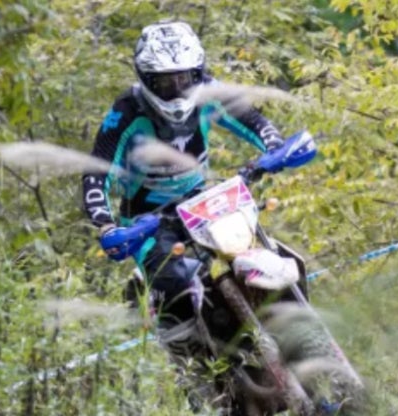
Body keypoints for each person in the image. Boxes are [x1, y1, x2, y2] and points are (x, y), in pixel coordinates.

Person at [82, 20, 287, 351]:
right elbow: (95, 172)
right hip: (146, 219)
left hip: (202, 201)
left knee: (258, 249)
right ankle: (194, 367)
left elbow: (253, 120)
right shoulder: (126, 110)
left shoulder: (209, 91)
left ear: (198, 72)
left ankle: (291, 327)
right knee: (172, 286)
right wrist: (106, 225)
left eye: (184, 78)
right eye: (165, 82)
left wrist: (275, 148)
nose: (177, 88)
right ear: (146, 78)